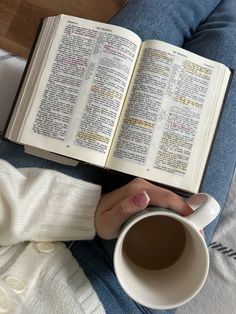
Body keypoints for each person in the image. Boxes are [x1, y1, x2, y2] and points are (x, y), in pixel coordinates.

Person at [0, 0, 235, 313]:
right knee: (229, 49)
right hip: (133, 289)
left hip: (21, 202)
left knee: (152, 20)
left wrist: (86, 211)